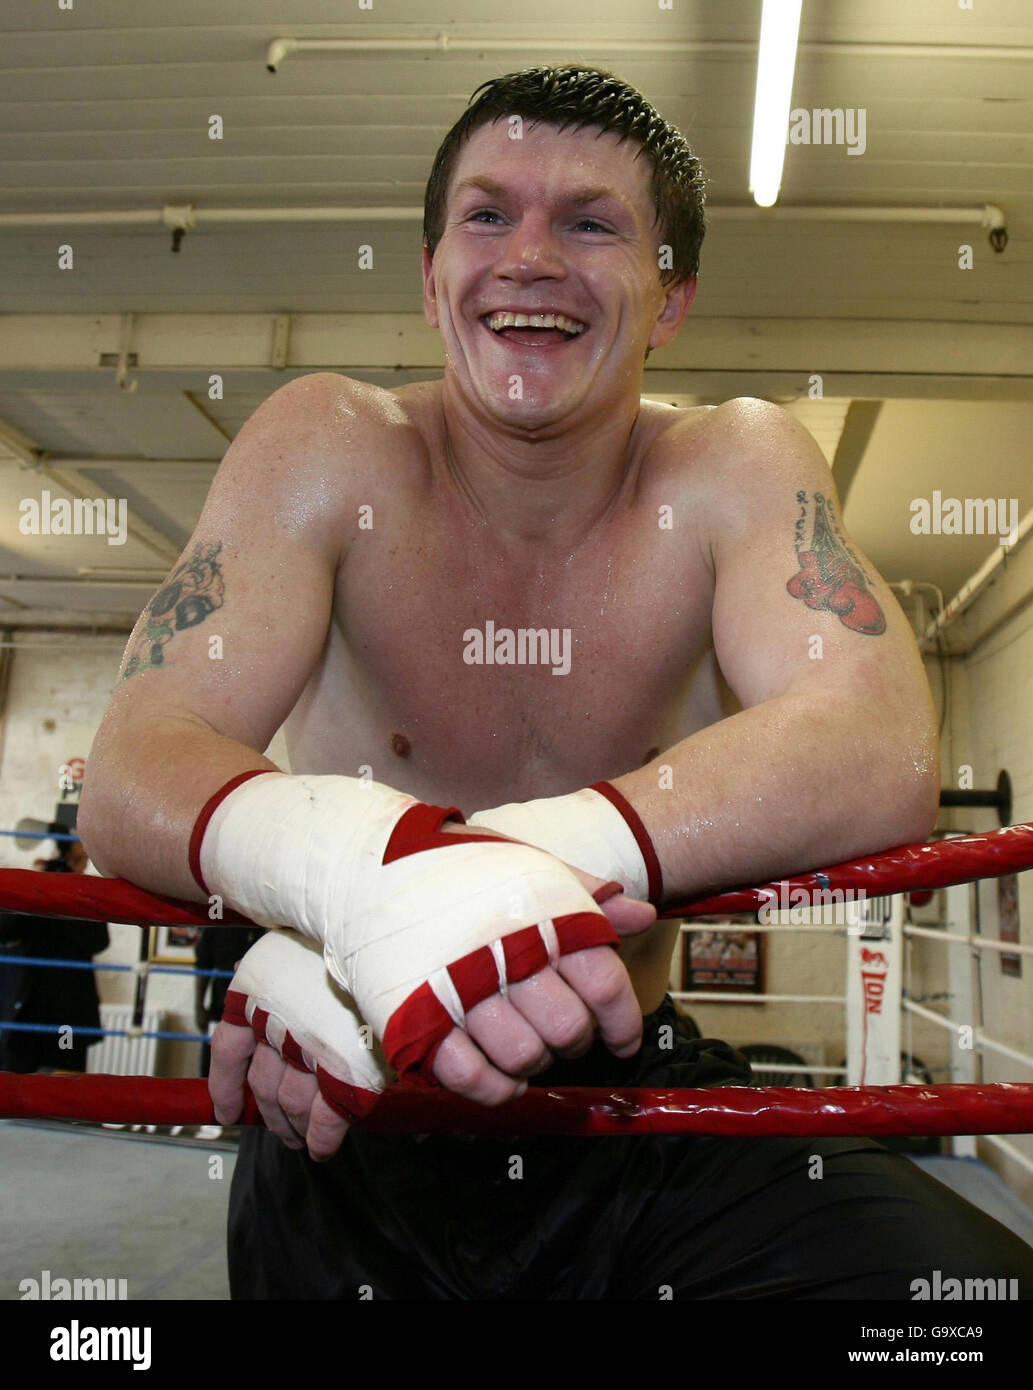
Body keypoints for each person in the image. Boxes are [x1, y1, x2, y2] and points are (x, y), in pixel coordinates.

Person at [79, 66, 1033, 1299]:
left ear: (671, 295)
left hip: (620, 1087)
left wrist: (439, 884)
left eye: (589, 223)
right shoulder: (327, 444)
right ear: (430, 279)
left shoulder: (733, 464)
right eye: (487, 215)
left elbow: (878, 747)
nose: (529, 256)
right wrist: (352, 930)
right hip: (350, 1083)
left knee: (955, 1306)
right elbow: (135, 760)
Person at [0, 831, 109, 1074]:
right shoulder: (32, 888)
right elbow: (5, 932)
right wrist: (36, 886)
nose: (74, 865)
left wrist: (68, 891)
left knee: (64, 1089)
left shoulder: (89, 894)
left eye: (80, 859)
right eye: (69, 858)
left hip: (68, 1012)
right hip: (24, 1008)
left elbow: (98, 942)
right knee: (14, 1086)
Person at [194, 925, 265, 1078]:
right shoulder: (219, 917)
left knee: (255, 1075)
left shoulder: (265, 919)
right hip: (220, 1010)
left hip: (258, 1013)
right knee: (213, 1071)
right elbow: (203, 962)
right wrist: (198, 1007)